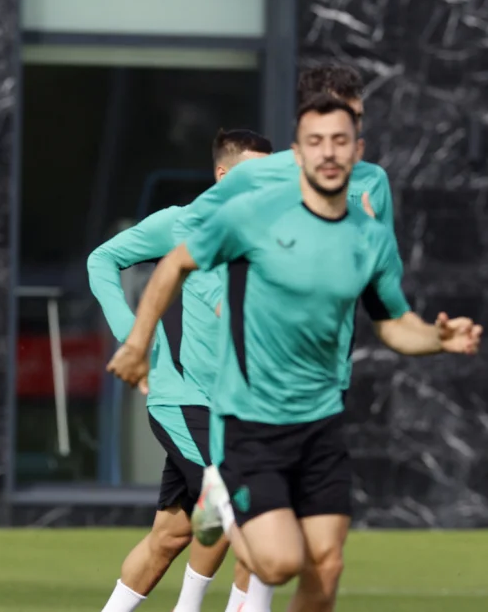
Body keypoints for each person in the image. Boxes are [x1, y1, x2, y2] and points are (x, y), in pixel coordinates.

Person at [106, 95, 481, 611]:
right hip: (244, 418)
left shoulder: (368, 237)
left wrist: (436, 339)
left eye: (340, 142)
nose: (328, 153)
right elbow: (172, 267)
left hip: (318, 423)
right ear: (297, 154)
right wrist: (137, 343)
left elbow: (394, 325)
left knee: (317, 565)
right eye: (315, 142)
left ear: (359, 153)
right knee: (273, 558)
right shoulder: (242, 221)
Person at [166, 63, 393, 612]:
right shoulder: (258, 181)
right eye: (338, 122)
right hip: (257, 392)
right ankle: (223, 501)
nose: (349, 138)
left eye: (357, 123)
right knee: (277, 549)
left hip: (326, 383)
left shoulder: (374, 185)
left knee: (324, 563)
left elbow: (372, 282)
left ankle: (223, 499)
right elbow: (192, 243)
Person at [87, 130, 271, 612]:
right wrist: (135, 338)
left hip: (236, 408)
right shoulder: (182, 222)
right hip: (185, 399)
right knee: (248, 510)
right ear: (223, 175)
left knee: (172, 535)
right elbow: (102, 259)